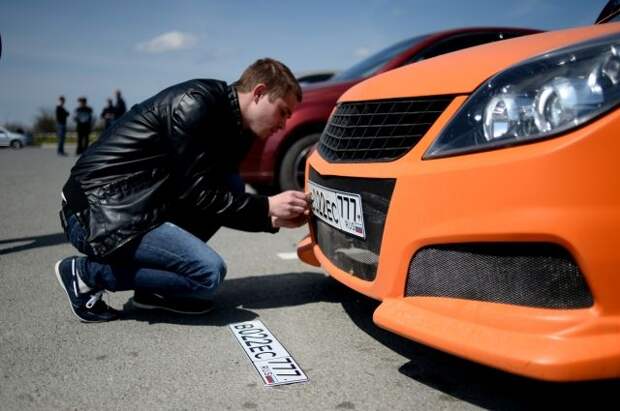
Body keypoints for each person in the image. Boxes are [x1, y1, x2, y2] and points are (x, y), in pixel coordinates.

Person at [54, 58, 309, 322]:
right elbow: (198, 193)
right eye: (282, 112)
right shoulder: (196, 103)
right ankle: (86, 274)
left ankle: (153, 292)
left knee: (231, 183)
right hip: (95, 212)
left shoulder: (239, 129)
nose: (283, 124)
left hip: (138, 206)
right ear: (259, 93)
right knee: (208, 274)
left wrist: (270, 219)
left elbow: (214, 198)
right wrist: (267, 206)